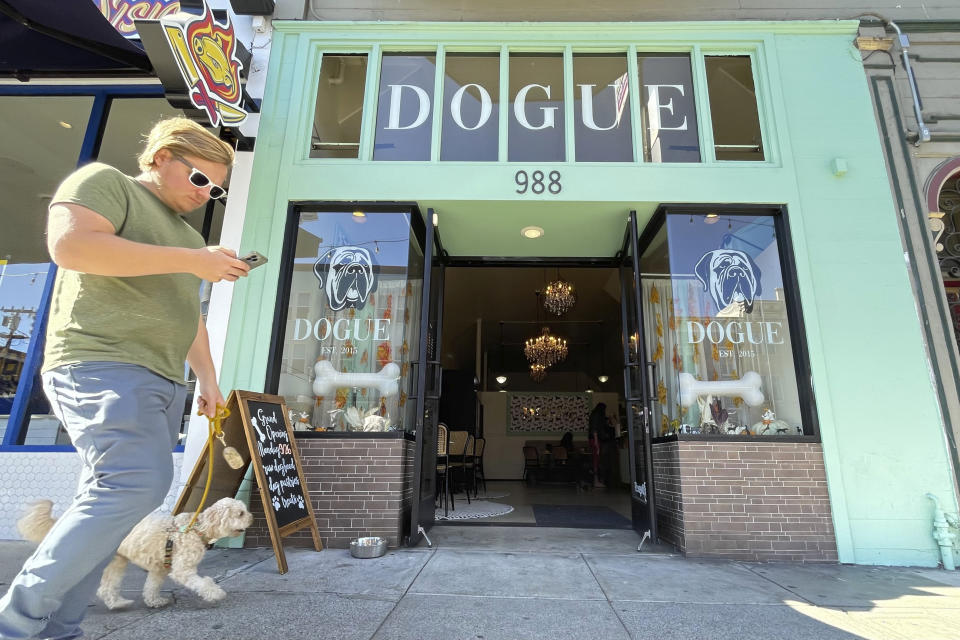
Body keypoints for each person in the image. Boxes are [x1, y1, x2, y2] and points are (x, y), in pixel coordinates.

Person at [0, 117, 250, 640]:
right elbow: (72, 247)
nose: (207, 194)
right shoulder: (105, 183)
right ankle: (16, 621)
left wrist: (206, 379)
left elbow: (189, 315)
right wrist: (193, 260)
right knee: (136, 484)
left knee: (118, 503)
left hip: (163, 377)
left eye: (218, 188)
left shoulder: (185, 236)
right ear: (160, 156)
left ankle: (58, 627)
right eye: (199, 179)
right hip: (100, 360)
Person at [588, 403, 608, 488]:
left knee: (595, 460)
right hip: (595, 440)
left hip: (592, 439)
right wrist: (596, 442)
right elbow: (595, 429)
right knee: (596, 461)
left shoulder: (593, 414)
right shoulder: (597, 415)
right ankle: (596, 482)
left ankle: (596, 481)